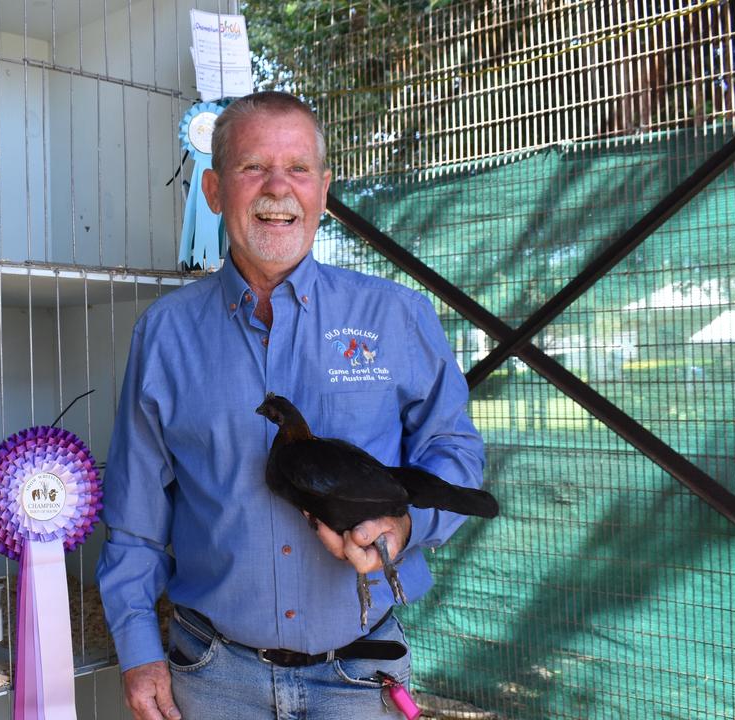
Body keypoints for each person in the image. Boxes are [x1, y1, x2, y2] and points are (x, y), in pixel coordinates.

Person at [97, 91, 486, 720]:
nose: (278, 188)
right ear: (214, 190)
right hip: (212, 675)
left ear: (324, 191)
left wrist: (407, 525)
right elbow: (136, 516)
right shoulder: (164, 335)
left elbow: (456, 452)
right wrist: (140, 652)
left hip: (360, 674)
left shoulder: (394, 315)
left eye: (299, 169)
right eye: (253, 167)